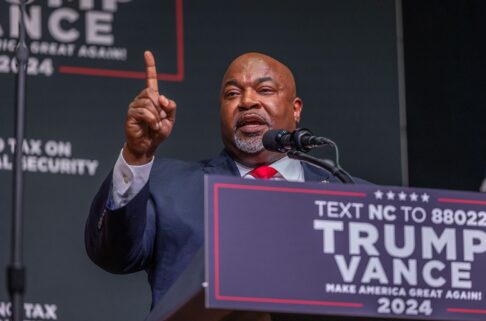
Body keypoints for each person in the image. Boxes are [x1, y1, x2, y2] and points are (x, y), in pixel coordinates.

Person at [85, 51, 363, 308]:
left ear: (296, 108)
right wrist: (137, 154)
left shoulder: (355, 198)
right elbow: (113, 254)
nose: (247, 101)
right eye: (232, 93)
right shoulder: (169, 187)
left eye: (265, 90)